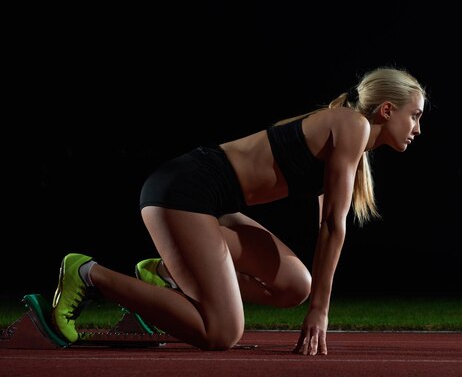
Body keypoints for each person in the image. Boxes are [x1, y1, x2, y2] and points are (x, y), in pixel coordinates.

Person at [51, 65, 426, 356]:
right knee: (222, 333)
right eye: (415, 116)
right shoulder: (352, 125)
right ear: (387, 109)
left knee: (296, 284)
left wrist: (313, 301)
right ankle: (87, 273)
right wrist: (320, 311)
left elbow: (327, 223)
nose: (418, 128)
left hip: (213, 206)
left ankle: (164, 275)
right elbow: (332, 226)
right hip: (183, 191)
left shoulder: (352, 142)